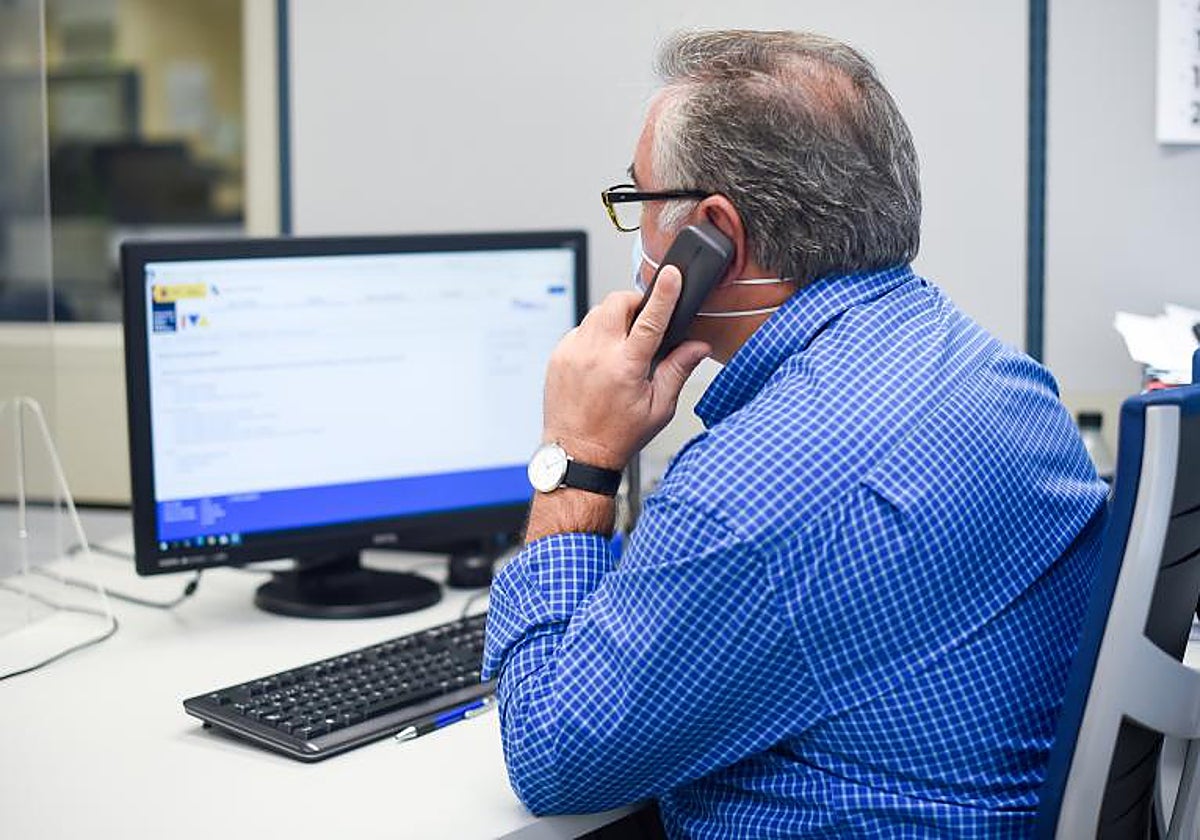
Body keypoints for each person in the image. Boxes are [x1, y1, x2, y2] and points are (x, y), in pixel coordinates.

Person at [482, 29, 1108, 838]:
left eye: (636, 202)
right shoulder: (990, 370)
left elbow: (553, 756)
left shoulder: (754, 492)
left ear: (715, 235)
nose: (634, 246)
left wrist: (579, 458)